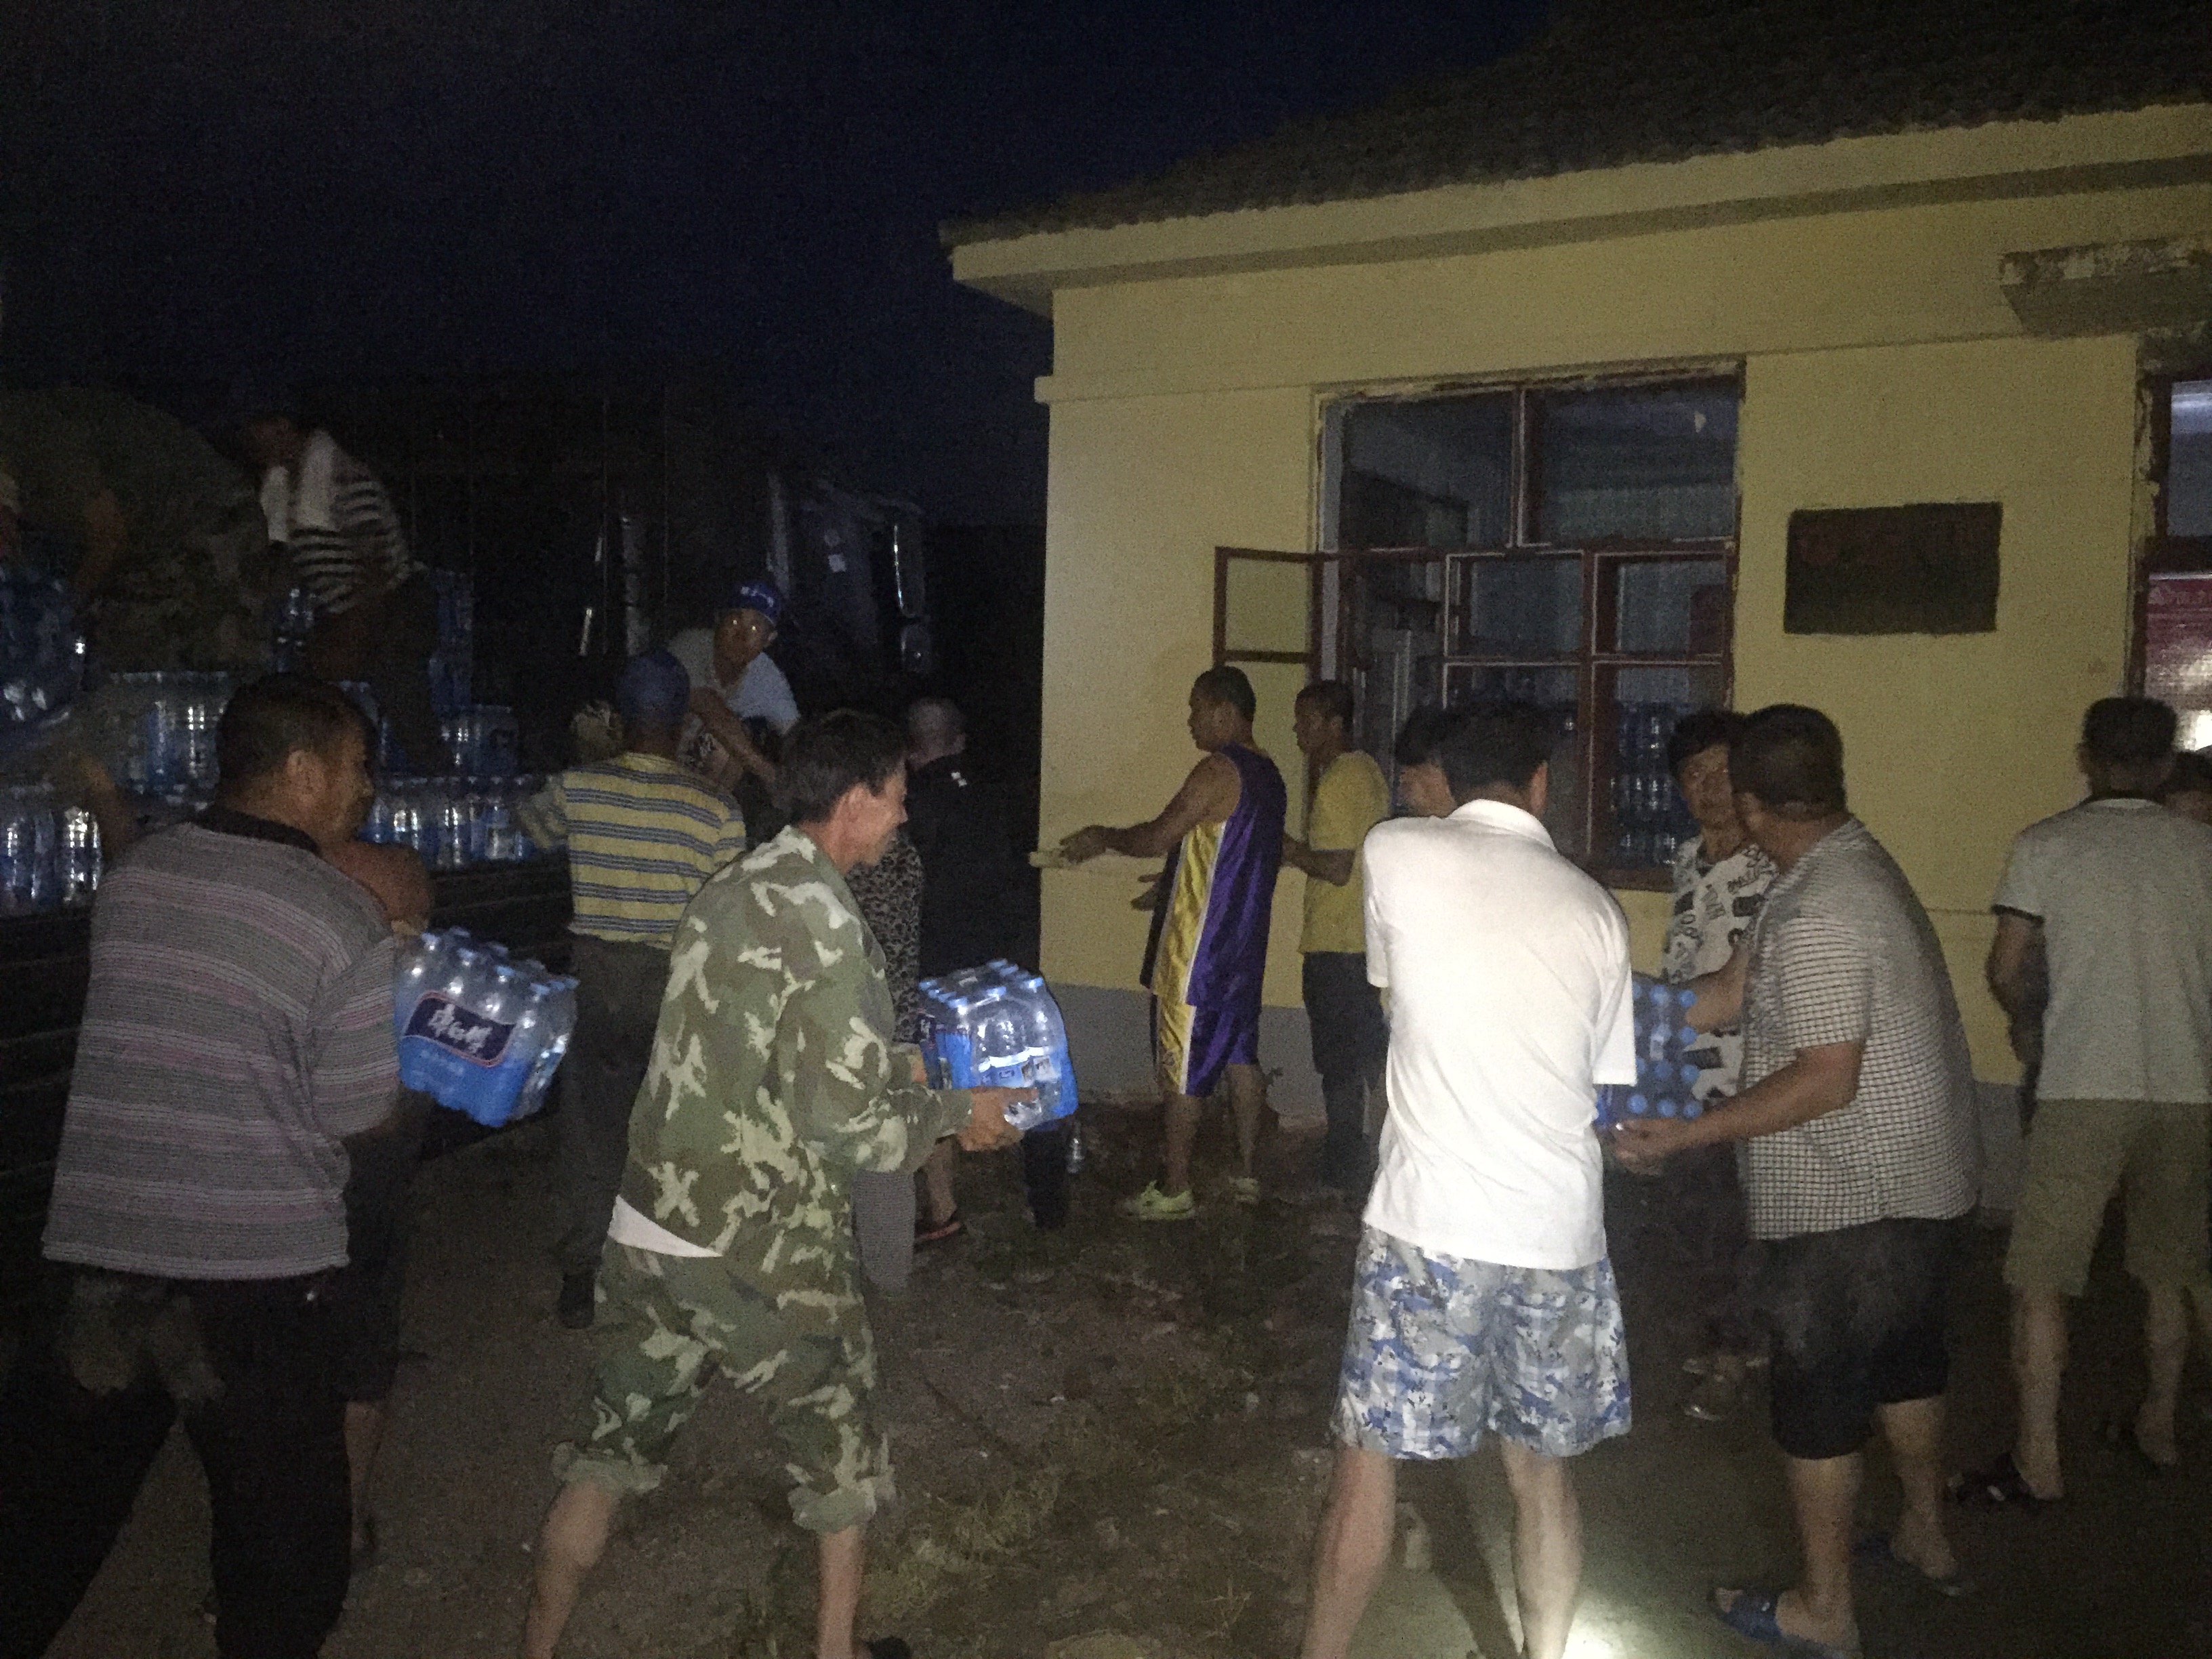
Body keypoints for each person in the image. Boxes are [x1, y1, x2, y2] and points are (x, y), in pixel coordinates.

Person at [520, 710, 1028, 1659]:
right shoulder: (831, 924)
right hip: (757, 1244)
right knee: (842, 1466)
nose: (903, 816)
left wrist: (907, 1073)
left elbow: (758, 1042)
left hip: (651, 1223)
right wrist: (961, 1116)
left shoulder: (732, 885)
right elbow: (850, 1129)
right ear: (855, 801)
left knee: (608, 1454)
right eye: (896, 797)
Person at [0, 674, 396, 1659]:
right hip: (256, 1285)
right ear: (301, 772)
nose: (367, 788)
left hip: (104, 1264)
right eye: (355, 766)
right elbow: (355, 1116)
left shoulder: (135, 880)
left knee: (39, 1538)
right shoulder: (340, 919)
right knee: (285, 1565)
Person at [1617, 704, 1980, 1659]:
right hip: (1915, 1183)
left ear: (1750, 801)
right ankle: (1927, 1535)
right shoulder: (1835, 866)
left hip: (1850, 1197)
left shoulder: (1819, 908)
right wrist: (1609, 1009)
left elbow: (1826, 1078)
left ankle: (1826, 1611)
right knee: (1905, 1367)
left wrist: (1691, 1133)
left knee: (1817, 1403)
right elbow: (1727, 994)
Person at [1299, 701, 1635, 1659]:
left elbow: (1393, 991)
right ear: (1541, 784)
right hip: (1557, 1234)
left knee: (1368, 1468)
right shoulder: (1598, 911)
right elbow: (1604, 1081)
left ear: (1444, 775)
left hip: (1430, 1227)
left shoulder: (1397, 852)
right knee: (1544, 1480)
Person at [1969, 697, 2212, 1500]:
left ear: (2085, 759)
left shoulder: (2046, 845)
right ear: (2166, 765)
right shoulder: (2201, 850)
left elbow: (2007, 966)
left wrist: (2029, 1024)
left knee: (2042, 1279)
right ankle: (2159, 1427)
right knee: (2170, 1270)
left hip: (2081, 1084)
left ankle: (2039, 1459)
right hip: (2188, 1087)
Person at [516, 651, 749, 1328]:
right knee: (675, 1130)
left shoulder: (578, 788)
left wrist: (589, 759)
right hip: (676, 979)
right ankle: (671, 1276)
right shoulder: (715, 808)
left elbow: (527, 826)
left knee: (590, 1129)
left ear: (620, 721)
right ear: (682, 726)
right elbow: (729, 909)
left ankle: (582, 1273)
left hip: (597, 975)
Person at [1060, 665, 1287, 1218]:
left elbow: (1158, 835)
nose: (1190, 721)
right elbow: (1230, 855)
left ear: (1225, 712)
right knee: (1241, 1058)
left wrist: (1102, 837)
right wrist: (1171, 886)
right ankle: (1247, 1173)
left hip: (1199, 954)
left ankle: (1175, 1188)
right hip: (1244, 948)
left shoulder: (1217, 771)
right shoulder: (1270, 775)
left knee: (1182, 1071)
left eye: (1196, 709)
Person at [903, 696, 1065, 1237]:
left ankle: (943, 1208)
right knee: (1033, 1068)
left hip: (936, 967)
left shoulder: (906, 805)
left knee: (934, 1078)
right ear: (961, 742)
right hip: (1005, 962)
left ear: (911, 751)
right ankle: (1049, 1203)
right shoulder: (999, 796)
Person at [1655, 708, 1776, 1422]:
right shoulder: (1686, 860)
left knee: (1738, 1226)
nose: (1709, 789)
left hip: (1749, 1079)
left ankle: (1735, 1360)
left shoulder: (1773, 867)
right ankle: (1724, 1340)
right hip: (1686, 1078)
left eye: (1722, 773)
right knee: (1696, 1221)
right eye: (1693, 775)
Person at [323, 836, 437, 1571]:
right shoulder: (386, 869)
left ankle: (317, 1531)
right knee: (359, 1335)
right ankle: (344, 1523)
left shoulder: (351, 868)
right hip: (365, 1143)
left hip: (305, 1152)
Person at [237, 394, 438, 768]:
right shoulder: (287, 489)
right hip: (350, 611)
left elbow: (377, 566)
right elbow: (290, 564)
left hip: (394, 605)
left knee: (404, 708)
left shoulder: (341, 477)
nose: (247, 443)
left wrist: (353, 633)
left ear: (282, 427)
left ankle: (435, 786)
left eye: (253, 431)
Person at [1279, 680, 1391, 1197]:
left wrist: (1289, 849)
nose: (1297, 730)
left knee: (1341, 1063)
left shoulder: (1340, 781)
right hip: (1361, 940)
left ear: (1333, 724)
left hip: (1337, 943)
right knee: (1369, 1058)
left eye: (1306, 720)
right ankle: (1380, 1160)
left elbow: (1338, 867)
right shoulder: (1367, 772)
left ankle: (1344, 1164)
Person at [845, 825, 928, 1290]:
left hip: (868, 1022)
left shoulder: (857, 862)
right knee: (886, 1153)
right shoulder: (902, 856)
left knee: (879, 1155)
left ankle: (881, 1273)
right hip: (893, 1020)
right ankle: (887, 1273)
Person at [670, 577, 801, 796]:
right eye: (734, 622)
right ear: (718, 621)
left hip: (698, 772)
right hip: (657, 758)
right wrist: (773, 777)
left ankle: (705, 812)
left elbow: (795, 734)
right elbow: (713, 714)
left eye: (754, 628)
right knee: (727, 739)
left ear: (769, 639)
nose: (741, 636)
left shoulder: (767, 676)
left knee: (732, 749)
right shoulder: (691, 645)